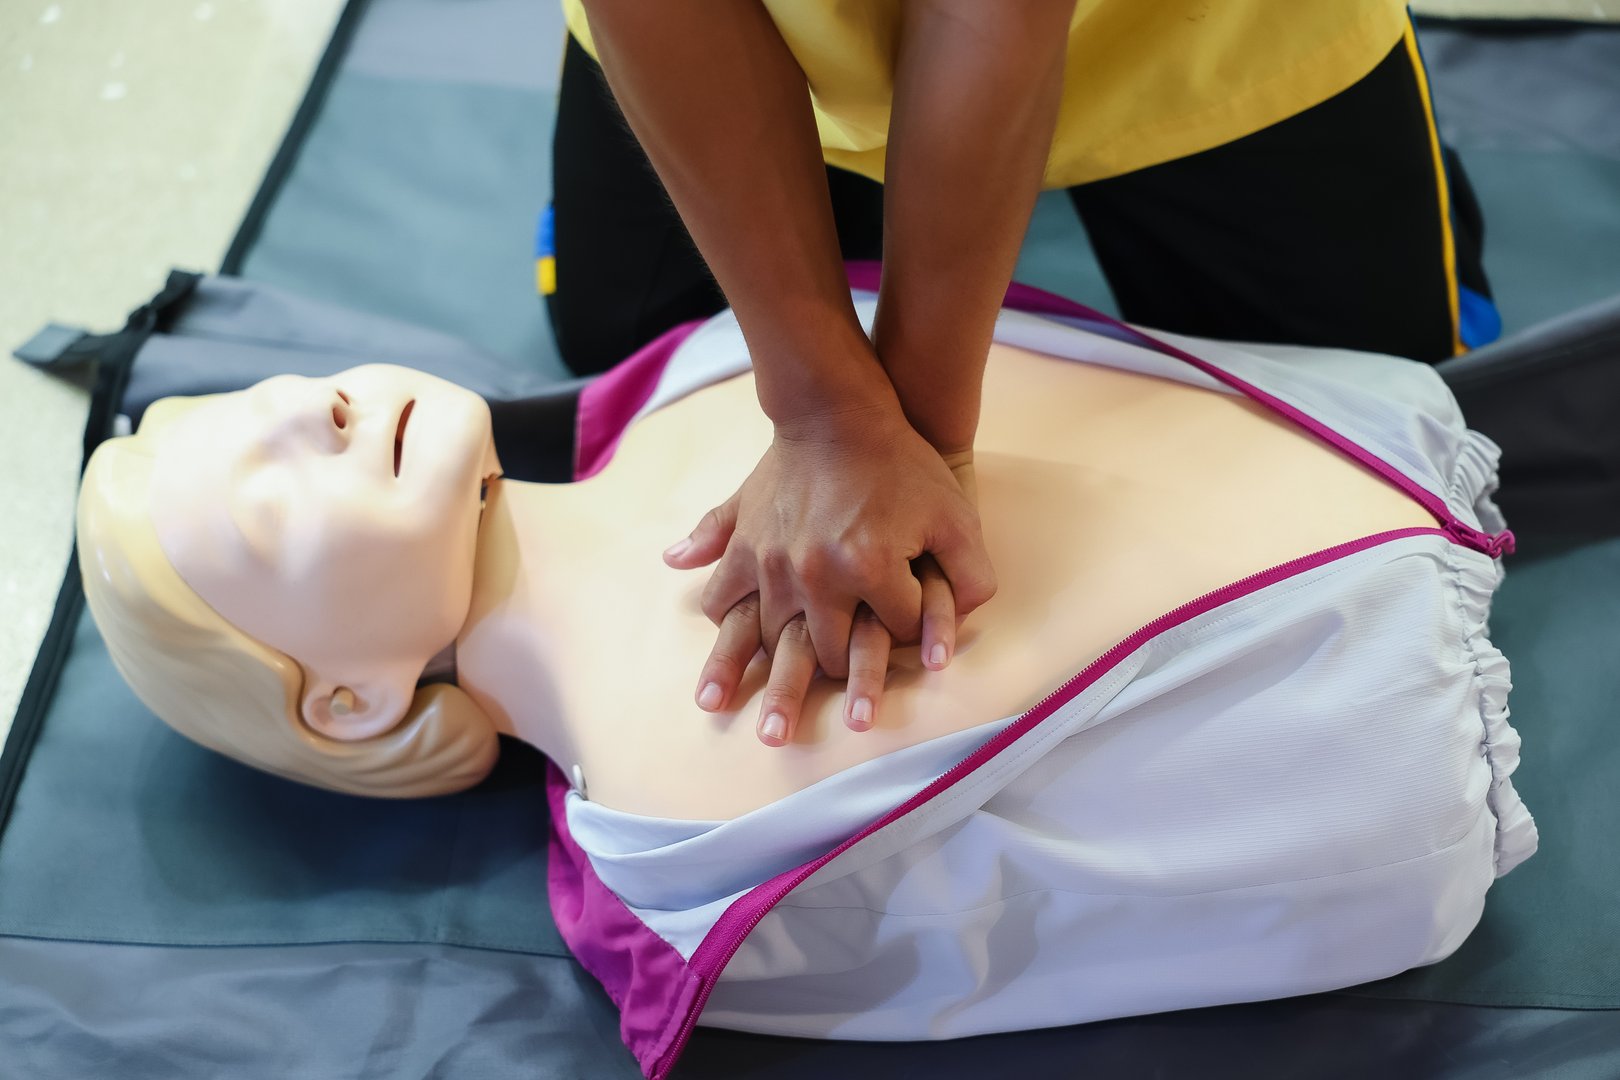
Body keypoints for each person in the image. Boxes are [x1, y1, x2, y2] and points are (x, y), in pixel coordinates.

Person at [76, 310, 1533, 1060]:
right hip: (1377, 722)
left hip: (1370, 458)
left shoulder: (699, 368)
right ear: (349, 703)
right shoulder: (670, 862)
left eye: (270, 397)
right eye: (266, 502)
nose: (298, 406)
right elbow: (1037, 926)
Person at [547, 1, 1504, 719]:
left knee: (1385, 419)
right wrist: (824, 409)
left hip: (1195, 36)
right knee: (626, 355)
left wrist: (905, 441)